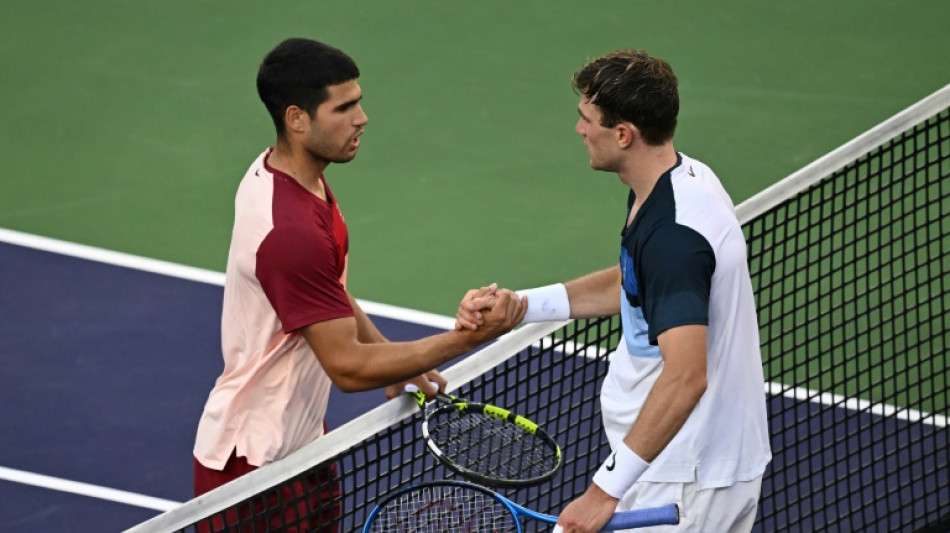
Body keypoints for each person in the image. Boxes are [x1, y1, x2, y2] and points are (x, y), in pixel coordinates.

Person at [193, 38, 525, 530]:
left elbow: (325, 292)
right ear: (297, 119)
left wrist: (391, 358)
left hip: (302, 444)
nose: (362, 118)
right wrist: (466, 339)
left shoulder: (293, 178)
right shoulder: (291, 231)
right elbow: (347, 368)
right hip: (254, 472)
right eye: (343, 107)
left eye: (359, 102)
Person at [458, 49, 771, 532]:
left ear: (623, 134)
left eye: (587, 120)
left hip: (684, 478)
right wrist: (523, 307)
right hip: (668, 463)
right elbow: (633, 282)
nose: (580, 130)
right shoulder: (679, 182)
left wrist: (603, 493)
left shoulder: (673, 236)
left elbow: (687, 376)